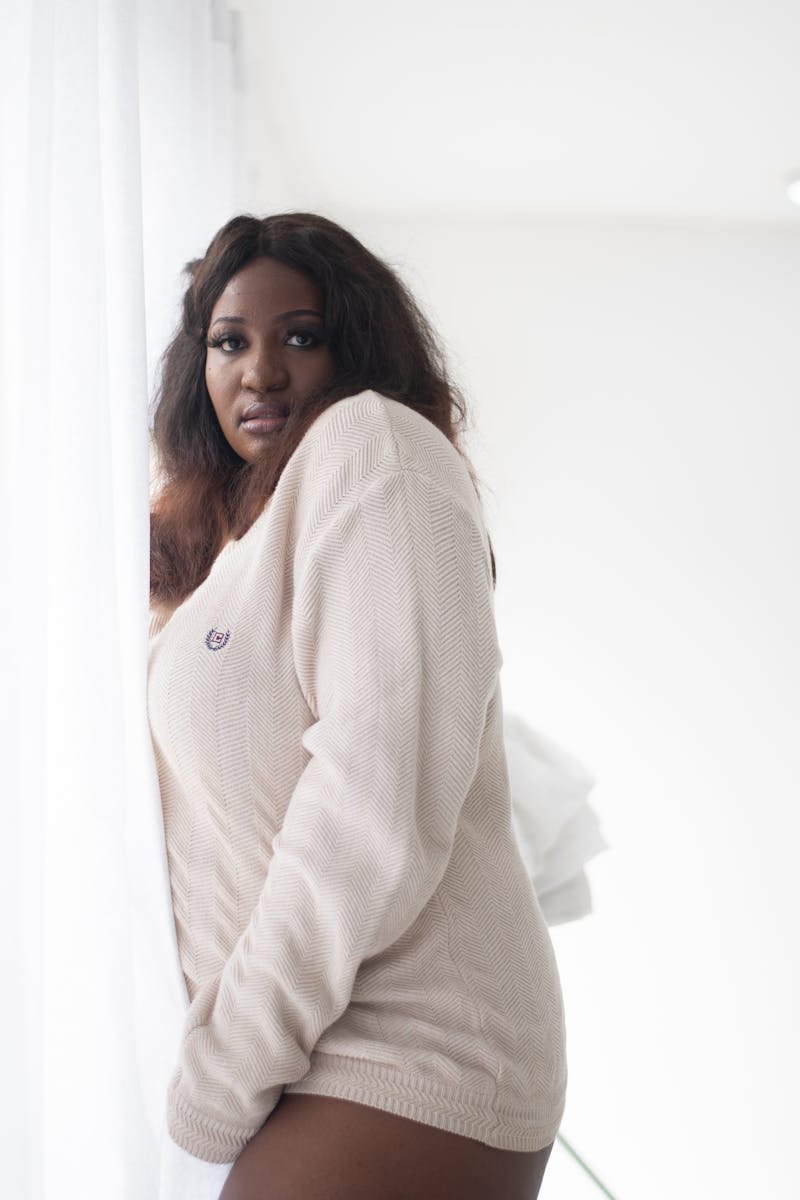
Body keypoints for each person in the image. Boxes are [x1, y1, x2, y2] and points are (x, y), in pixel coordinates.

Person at [148, 212, 567, 1200]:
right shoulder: (245, 541)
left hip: (413, 1050)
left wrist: (222, 1069)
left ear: (355, 347)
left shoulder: (373, 447)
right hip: (320, 1049)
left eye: (300, 334)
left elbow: (373, 802)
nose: (259, 368)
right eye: (229, 340)